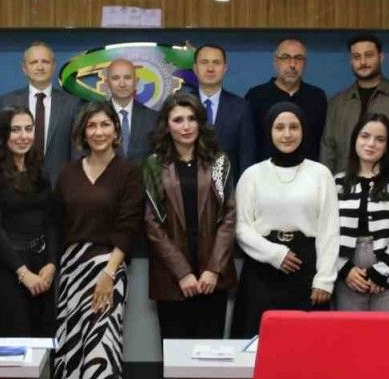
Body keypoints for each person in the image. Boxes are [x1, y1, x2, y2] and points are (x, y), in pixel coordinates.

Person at [51, 101, 142, 379]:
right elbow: (57, 224)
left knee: (101, 348)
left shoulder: (128, 172)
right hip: (72, 268)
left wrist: (109, 273)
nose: (99, 131)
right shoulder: (67, 173)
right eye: (92, 126)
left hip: (109, 266)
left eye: (106, 124)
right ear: (82, 133)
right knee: (73, 347)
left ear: (116, 131)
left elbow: (129, 223)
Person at [230, 102, 339, 338]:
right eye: (279, 127)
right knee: (257, 345)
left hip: (306, 268)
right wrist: (274, 254)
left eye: (294, 127)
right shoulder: (252, 175)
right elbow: (240, 226)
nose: (287, 134)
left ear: (303, 130)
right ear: (269, 131)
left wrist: (324, 279)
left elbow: (329, 231)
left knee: (307, 346)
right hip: (261, 269)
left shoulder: (321, 174)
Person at [143, 94, 237, 340]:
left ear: (200, 123)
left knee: (209, 355)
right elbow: (152, 224)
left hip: (211, 278)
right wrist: (182, 272)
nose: (186, 126)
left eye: (192, 119)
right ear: (166, 126)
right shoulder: (154, 164)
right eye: (178, 120)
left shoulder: (218, 161)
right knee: (175, 356)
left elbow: (229, 216)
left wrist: (213, 269)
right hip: (172, 279)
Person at [0, 107, 57, 336]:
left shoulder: (41, 173)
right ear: (3, 134)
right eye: (15, 130)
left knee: (43, 340)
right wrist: (23, 273)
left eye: (28, 129)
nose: (23, 136)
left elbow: (51, 221)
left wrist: (51, 263)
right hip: (7, 270)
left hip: (41, 268)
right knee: (12, 344)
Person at [333, 114, 389, 313]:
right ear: (355, 139)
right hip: (348, 272)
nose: (371, 144)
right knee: (350, 332)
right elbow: (327, 232)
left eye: (380, 139)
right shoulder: (337, 182)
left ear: (387, 145)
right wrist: (344, 269)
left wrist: (382, 270)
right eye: (365, 136)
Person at [321, 33, 389, 174]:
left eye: (369, 55)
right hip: (344, 183)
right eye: (357, 57)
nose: (362, 62)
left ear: (381, 57)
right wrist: (330, 182)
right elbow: (328, 150)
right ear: (350, 61)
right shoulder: (337, 103)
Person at [0, 43, 82, 185]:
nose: (40, 67)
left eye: (45, 62)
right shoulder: (8, 101)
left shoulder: (72, 103)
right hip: (15, 184)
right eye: (34, 62)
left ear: (53, 66)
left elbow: (77, 150)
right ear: (24, 68)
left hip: (59, 185)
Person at [245, 39, 327, 162]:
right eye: (285, 57)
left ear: (305, 63)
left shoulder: (317, 97)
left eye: (298, 58)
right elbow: (248, 143)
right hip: (266, 170)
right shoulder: (255, 96)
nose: (292, 65)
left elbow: (323, 142)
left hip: (308, 171)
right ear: (275, 62)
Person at [192, 43, 256, 178]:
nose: (210, 68)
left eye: (216, 63)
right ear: (195, 68)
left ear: (225, 68)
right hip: (186, 185)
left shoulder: (241, 107)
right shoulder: (181, 104)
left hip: (228, 185)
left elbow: (247, 156)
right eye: (204, 62)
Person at [104, 58, 158, 162]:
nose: (122, 84)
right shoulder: (96, 117)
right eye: (115, 78)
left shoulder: (153, 118)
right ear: (107, 83)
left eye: (127, 77)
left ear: (136, 81)